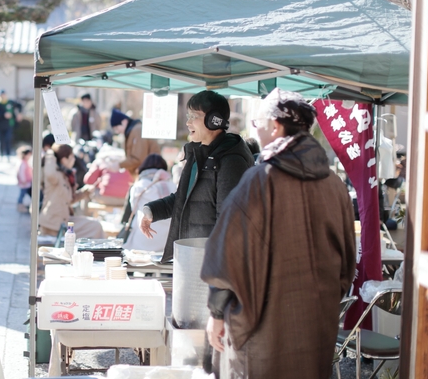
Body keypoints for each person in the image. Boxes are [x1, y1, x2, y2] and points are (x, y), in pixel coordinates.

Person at [200, 88, 357, 379]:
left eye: (257, 125)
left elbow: (229, 254)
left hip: (265, 330)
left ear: (275, 126)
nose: (256, 132)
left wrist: (217, 313)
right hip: (316, 326)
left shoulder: (260, 180)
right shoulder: (335, 186)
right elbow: (347, 265)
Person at [139, 91, 254, 263]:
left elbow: (229, 221)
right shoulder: (197, 154)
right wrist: (152, 211)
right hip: (192, 254)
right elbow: (182, 198)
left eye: (194, 116)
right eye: (188, 115)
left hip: (213, 262)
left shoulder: (232, 161)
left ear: (214, 120)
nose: (188, 122)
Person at [39, 144, 104, 239]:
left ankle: (97, 252)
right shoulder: (55, 176)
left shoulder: (65, 175)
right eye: (72, 156)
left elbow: (69, 200)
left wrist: (86, 191)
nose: (74, 159)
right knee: (95, 227)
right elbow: (50, 174)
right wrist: (50, 152)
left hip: (63, 220)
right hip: (53, 224)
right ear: (64, 159)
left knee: (95, 225)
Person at [122, 154, 175, 252]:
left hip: (142, 242)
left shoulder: (139, 186)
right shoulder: (172, 186)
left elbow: (134, 208)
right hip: (167, 244)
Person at [110, 108, 161, 175]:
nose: (117, 131)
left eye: (117, 128)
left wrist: (120, 164)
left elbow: (138, 158)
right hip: (149, 172)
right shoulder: (133, 130)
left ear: (124, 121)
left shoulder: (137, 131)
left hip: (150, 173)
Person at [0, 89, 22, 160]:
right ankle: (1, 155)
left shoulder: (10, 102)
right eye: (1, 95)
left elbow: (20, 105)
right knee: (1, 140)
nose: (3, 96)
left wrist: (19, 114)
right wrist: (3, 115)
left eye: (4, 94)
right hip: (1, 126)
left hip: (9, 125)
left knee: (8, 139)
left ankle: (8, 155)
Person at [16, 146, 33, 213]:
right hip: (25, 183)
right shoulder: (23, 163)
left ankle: (22, 205)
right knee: (22, 194)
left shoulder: (25, 162)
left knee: (26, 193)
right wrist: (23, 181)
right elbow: (22, 173)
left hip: (27, 182)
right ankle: (20, 205)